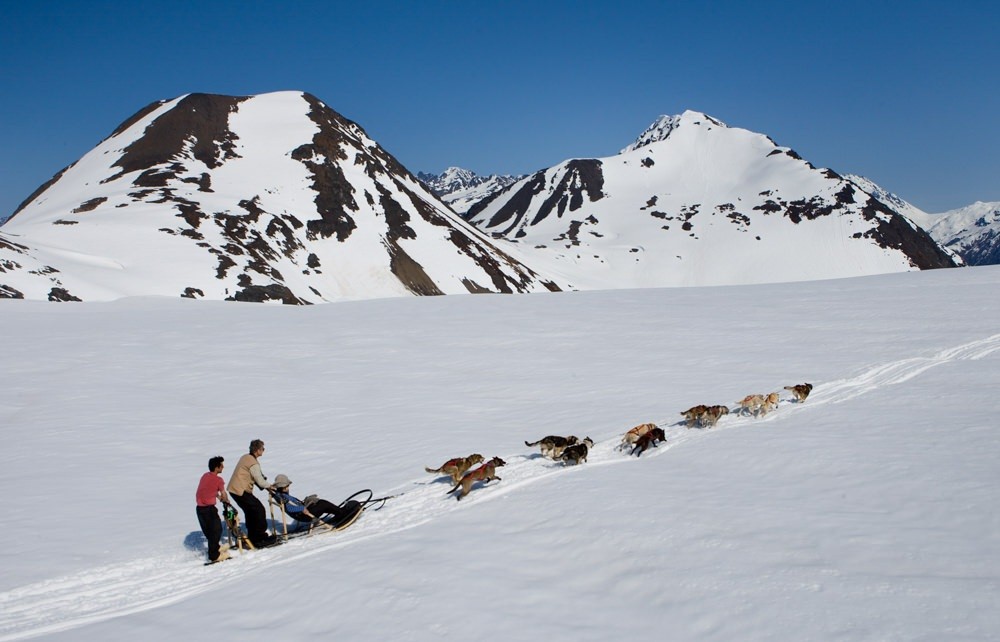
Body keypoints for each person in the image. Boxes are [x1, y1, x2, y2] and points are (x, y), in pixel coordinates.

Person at [227, 439, 276, 547]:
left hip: (234, 490)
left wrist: (264, 485)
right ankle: (260, 538)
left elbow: (256, 477)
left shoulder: (245, 457)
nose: (263, 450)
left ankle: (253, 536)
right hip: (241, 490)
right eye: (263, 448)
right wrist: (270, 486)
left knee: (250, 511)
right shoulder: (253, 463)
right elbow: (260, 480)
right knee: (259, 510)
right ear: (258, 450)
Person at [271, 473, 350, 527]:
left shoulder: (280, 494)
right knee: (323, 504)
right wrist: (302, 508)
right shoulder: (284, 498)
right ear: (282, 487)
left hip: (302, 512)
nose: (288, 488)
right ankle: (341, 514)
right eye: (287, 486)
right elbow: (289, 508)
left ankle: (338, 512)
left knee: (320, 503)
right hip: (305, 515)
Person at [195, 455, 231, 563]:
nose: (223, 467)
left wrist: (217, 496)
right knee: (216, 530)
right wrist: (226, 500)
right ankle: (214, 555)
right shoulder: (219, 480)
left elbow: (207, 489)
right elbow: (223, 493)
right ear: (217, 467)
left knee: (209, 531)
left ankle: (215, 547)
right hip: (209, 509)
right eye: (221, 465)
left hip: (199, 509)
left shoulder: (205, 476)